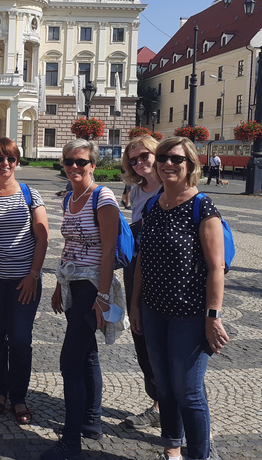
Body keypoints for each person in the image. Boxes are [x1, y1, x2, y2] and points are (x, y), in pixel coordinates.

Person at [130, 136, 229, 460]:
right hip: (154, 311)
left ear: (190, 166)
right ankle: (172, 450)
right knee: (165, 387)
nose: (168, 164)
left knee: (188, 390)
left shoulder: (202, 206)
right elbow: (143, 259)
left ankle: (199, 455)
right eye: (163, 158)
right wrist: (135, 305)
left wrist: (212, 317)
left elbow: (216, 267)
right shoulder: (153, 206)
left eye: (176, 159)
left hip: (189, 315)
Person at [43, 139, 121, 460]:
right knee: (87, 354)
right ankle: (91, 421)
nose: (74, 167)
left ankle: (71, 440)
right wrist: (59, 285)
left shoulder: (102, 198)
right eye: (69, 162)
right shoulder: (69, 199)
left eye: (81, 162)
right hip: (73, 284)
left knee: (70, 361)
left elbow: (107, 252)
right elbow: (69, 246)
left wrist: (103, 297)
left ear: (93, 165)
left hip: (93, 287)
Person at [0, 137, 49, 425]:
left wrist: (33, 275)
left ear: (17, 162)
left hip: (24, 280)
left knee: (20, 340)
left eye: (10, 159)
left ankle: (18, 396)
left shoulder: (30, 194)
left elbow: (43, 236)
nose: (4, 164)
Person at [120, 136, 163, 429]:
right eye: (133, 159)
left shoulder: (173, 186)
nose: (139, 162)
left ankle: (168, 406)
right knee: (140, 336)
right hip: (136, 267)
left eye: (144, 155)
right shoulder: (136, 192)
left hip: (165, 271)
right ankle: (158, 402)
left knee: (163, 341)